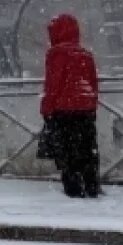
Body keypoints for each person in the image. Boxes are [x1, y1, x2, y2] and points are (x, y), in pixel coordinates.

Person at [41, 13, 100, 198]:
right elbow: (93, 82)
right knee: (88, 149)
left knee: (67, 151)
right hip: (86, 108)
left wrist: (46, 108)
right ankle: (92, 185)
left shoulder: (56, 54)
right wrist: (92, 104)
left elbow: (53, 84)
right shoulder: (85, 54)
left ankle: (74, 189)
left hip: (64, 109)